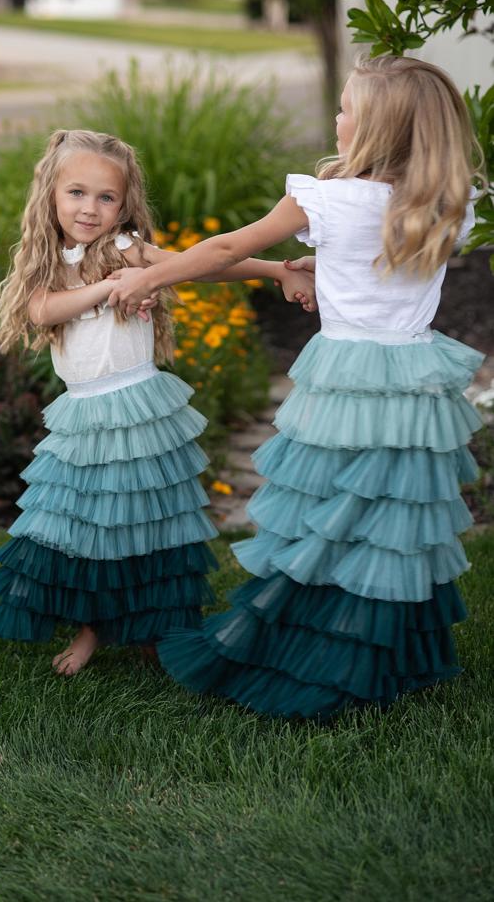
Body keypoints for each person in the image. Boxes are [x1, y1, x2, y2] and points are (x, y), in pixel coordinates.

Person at [108, 55, 485, 719]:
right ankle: (385, 656)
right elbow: (383, 269)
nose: (336, 120)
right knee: (389, 525)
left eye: (345, 110)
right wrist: (328, 265)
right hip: (414, 383)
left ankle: (302, 652)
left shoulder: (329, 198)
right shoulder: (443, 203)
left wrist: (149, 277)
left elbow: (226, 249)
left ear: (372, 131)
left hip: (347, 383)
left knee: (326, 520)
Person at [0, 128, 316, 676]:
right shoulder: (47, 261)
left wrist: (277, 269)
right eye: (77, 193)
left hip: (140, 408)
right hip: (86, 416)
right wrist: (116, 286)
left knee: (149, 523)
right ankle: (92, 629)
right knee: (92, 528)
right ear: (51, 194)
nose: (91, 208)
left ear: (123, 204)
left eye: (106, 197)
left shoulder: (126, 248)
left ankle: (152, 629)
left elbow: (206, 263)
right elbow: (41, 311)